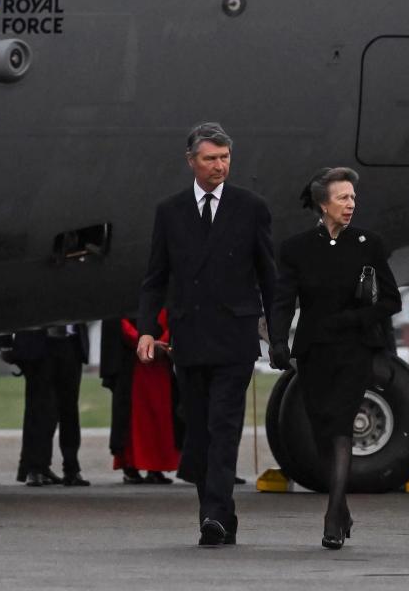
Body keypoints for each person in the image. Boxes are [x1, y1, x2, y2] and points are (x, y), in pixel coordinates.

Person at [136, 122, 276, 546]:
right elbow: (155, 278)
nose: (220, 166)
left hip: (234, 337)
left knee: (223, 425)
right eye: (211, 159)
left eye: (225, 158)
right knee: (197, 429)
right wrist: (146, 330)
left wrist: (279, 333)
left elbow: (269, 276)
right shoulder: (170, 211)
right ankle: (218, 515)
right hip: (189, 337)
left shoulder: (251, 207)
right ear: (191, 162)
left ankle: (213, 516)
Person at [268, 167, 401, 550]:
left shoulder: (368, 244)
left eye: (353, 198)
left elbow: (392, 300)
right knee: (323, 431)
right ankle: (341, 508)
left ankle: (331, 513)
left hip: (354, 350)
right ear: (322, 203)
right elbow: (283, 300)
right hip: (313, 352)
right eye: (343, 197)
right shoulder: (296, 249)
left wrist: (353, 319)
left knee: (342, 427)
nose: (351, 204)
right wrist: (278, 341)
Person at [0, 324, 91, 487]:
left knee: (69, 409)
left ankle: (71, 468)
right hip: (39, 344)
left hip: (71, 343)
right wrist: (6, 341)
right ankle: (36, 468)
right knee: (39, 409)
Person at [111, 311, 181, 484]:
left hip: (160, 366)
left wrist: (161, 342)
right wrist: (143, 342)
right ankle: (131, 465)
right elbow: (121, 321)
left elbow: (171, 316)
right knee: (135, 418)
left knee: (160, 417)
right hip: (135, 365)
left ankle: (155, 467)